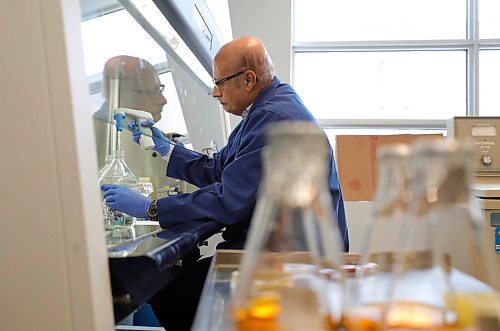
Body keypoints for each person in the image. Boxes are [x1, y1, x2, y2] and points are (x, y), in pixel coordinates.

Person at [101, 36, 349, 330]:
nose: (214, 92)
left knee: (174, 296)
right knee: (180, 288)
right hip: (281, 255)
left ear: (248, 79)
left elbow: (227, 200)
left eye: (219, 82)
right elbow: (221, 167)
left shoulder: (273, 118)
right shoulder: (264, 108)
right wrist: (167, 149)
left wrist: (151, 208)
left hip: (286, 264)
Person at [93, 55, 182, 198]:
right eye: (154, 92)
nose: (163, 100)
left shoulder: (156, 139)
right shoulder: (90, 136)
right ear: (124, 94)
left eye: (160, 90)